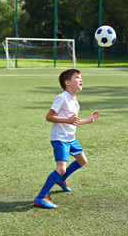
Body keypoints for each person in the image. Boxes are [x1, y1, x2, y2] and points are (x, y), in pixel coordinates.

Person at [33, 69, 99, 209]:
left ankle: (62, 180)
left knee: (82, 160)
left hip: (70, 138)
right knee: (61, 168)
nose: (81, 80)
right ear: (67, 83)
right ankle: (40, 197)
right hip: (60, 139)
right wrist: (67, 120)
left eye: (81, 77)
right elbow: (49, 117)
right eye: (77, 78)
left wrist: (88, 120)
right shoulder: (62, 97)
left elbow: (73, 121)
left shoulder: (74, 100)